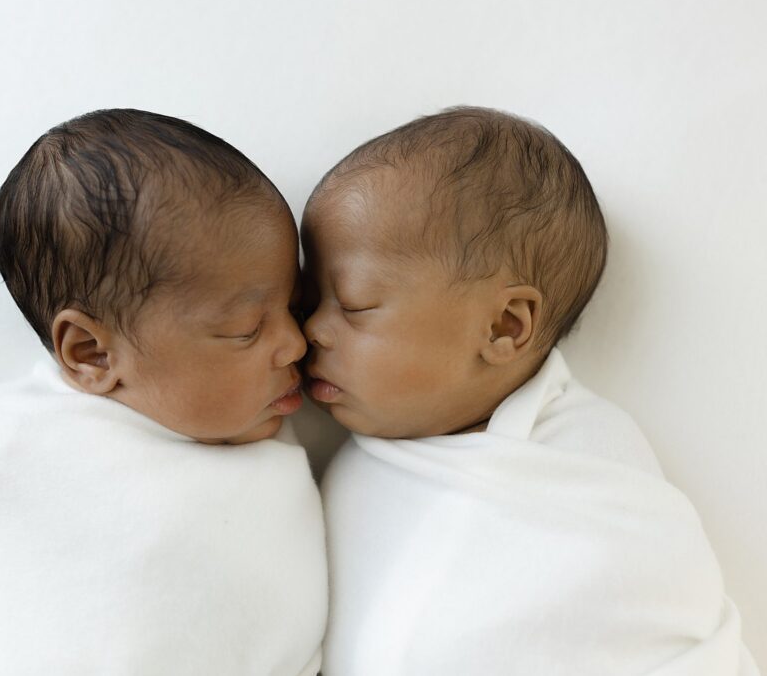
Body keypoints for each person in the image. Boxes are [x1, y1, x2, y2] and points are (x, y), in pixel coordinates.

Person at [0, 108, 327, 676]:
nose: (296, 343)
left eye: (295, 307)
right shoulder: (10, 448)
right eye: (245, 329)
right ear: (92, 354)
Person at [302, 106, 760, 675]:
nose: (310, 329)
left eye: (353, 304)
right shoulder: (343, 456)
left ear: (504, 327)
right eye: (308, 299)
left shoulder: (591, 476)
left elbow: (646, 592)